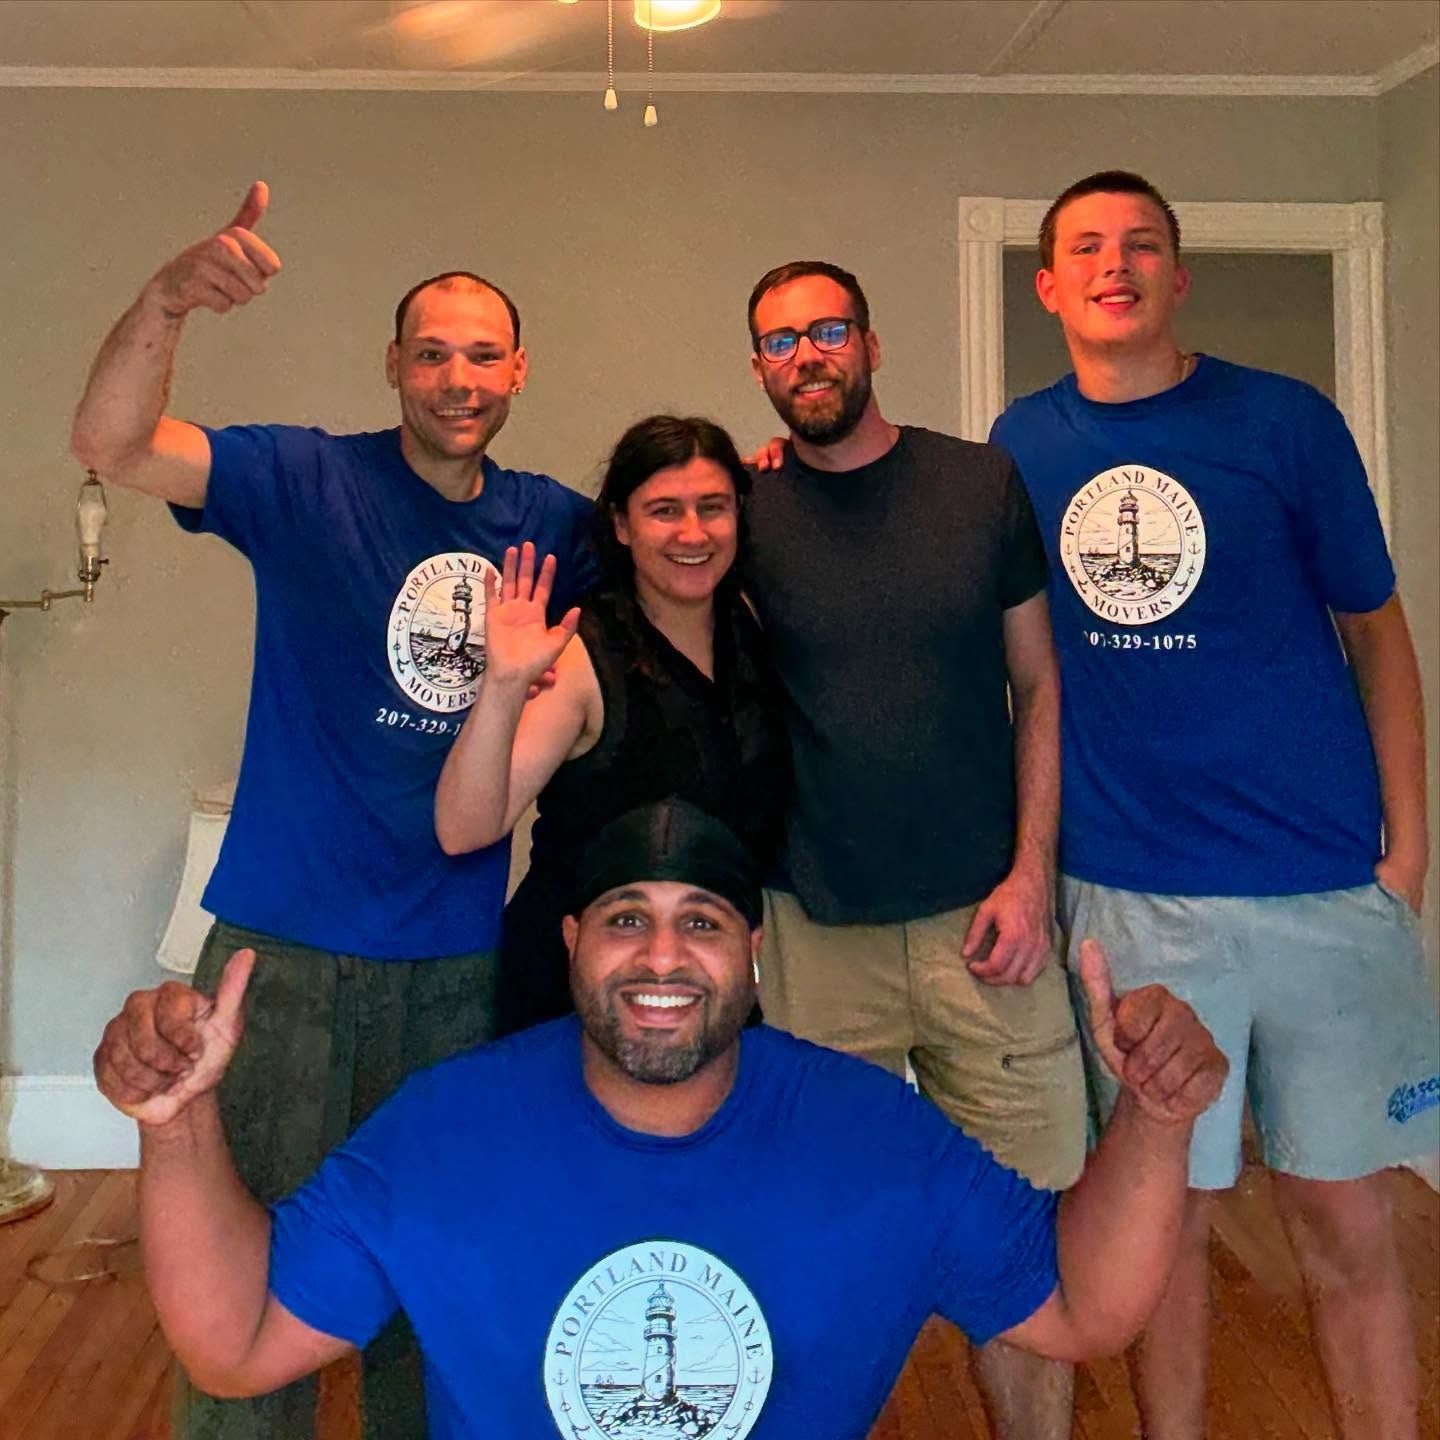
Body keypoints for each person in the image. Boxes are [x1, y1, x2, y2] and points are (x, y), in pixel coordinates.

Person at [94, 797, 1229, 1440]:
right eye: (628, 919)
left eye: (703, 923)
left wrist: (1156, 1119)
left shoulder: (874, 1136)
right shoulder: (446, 1130)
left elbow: (1085, 1306)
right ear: (574, 943)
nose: (664, 956)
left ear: (753, 954)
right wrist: (175, 1127)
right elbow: (235, 1345)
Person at [69, 182, 594, 1440]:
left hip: (459, 971)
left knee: (435, 1290)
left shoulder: (559, 527)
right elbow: (113, 442)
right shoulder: (302, 477)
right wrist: (165, 302)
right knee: (251, 1290)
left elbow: (694, 554)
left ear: (518, 368)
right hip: (280, 960)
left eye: (481, 353)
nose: (456, 377)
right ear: (395, 368)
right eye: (431, 353)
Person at [990, 169, 1439, 1440]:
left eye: (1141, 245)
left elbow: (1380, 637)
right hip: (1131, 898)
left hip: (1322, 888)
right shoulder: (1022, 446)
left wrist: (1406, 855)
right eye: (1085, 247)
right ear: (1050, 287)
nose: (1114, 264)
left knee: (1348, 1221)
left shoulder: (1285, 423)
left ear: (1178, 278)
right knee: (1161, 1230)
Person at [742, 261, 1084, 1437]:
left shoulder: (981, 483)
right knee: (817, 1240)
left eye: (827, 330)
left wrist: (1032, 873)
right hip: (810, 930)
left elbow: (1037, 685)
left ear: (872, 342)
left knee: (1025, 1242)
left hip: (986, 924)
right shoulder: (746, 508)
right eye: (781, 342)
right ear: (759, 371)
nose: (807, 356)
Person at [434, 414, 789, 1034]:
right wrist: (503, 685)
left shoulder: (750, 621)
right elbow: (464, 829)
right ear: (621, 525)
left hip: (702, 983)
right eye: (663, 511)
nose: (693, 532)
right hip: (575, 998)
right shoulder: (582, 656)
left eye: (713, 507)